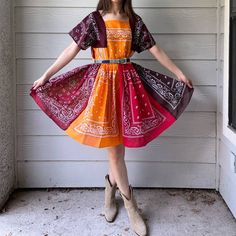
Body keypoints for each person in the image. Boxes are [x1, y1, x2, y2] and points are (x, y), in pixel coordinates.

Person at [29, 0, 194, 235]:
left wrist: (179, 73)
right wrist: (46, 75)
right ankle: (131, 206)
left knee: (116, 148)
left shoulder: (134, 22)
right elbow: (71, 49)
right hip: (102, 90)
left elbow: (156, 50)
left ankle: (109, 191)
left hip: (128, 88)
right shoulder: (94, 20)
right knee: (115, 151)